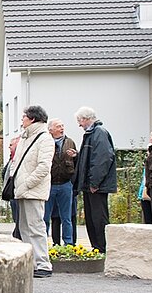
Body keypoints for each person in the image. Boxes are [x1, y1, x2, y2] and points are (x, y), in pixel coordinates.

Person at [13, 106, 56, 278]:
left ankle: (43, 264)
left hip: (33, 190)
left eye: (24, 117)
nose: (22, 120)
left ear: (32, 119)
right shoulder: (26, 137)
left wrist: (27, 184)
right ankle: (30, 262)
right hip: (22, 190)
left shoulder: (44, 138)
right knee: (24, 227)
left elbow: (44, 167)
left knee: (36, 227)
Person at [72, 106, 117, 253]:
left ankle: (102, 248)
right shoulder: (92, 133)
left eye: (80, 121)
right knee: (91, 219)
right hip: (90, 184)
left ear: (86, 119)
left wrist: (94, 182)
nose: (79, 125)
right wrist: (78, 156)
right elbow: (92, 158)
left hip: (96, 186)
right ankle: (97, 248)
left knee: (98, 218)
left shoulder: (99, 133)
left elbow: (103, 159)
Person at [44, 118, 76, 245]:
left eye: (62, 126)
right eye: (58, 126)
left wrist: (75, 155)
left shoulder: (70, 142)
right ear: (50, 129)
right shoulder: (46, 142)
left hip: (65, 184)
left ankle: (69, 244)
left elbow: (76, 162)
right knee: (45, 217)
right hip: (49, 185)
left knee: (66, 217)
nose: (61, 128)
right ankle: (43, 243)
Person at [1, 134, 22, 239]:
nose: (9, 147)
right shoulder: (11, 158)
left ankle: (17, 237)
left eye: (11, 145)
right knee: (16, 218)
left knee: (19, 219)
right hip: (12, 194)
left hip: (17, 192)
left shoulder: (18, 158)